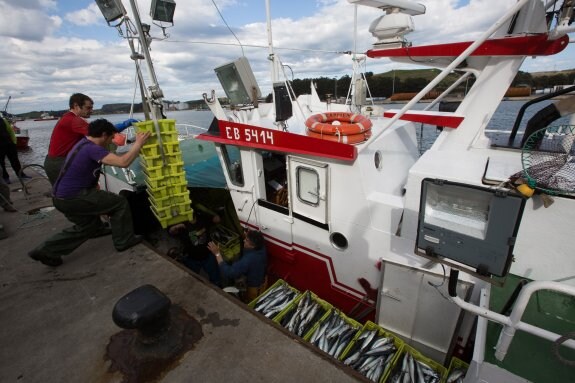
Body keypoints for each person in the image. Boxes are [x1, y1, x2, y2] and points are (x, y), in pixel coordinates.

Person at [28, 119, 151, 267]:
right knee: (119, 203)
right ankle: (124, 241)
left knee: (88, 228)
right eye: (111, 138)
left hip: (60, 197)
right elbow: (123, 162)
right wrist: (138, 143)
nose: (111, 142)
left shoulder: (81, 143)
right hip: (74, 197)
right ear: (104, 135)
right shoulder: (93, 149)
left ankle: (46, 250)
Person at [44, 93, 94, 185]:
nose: (91, 111)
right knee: (68, 194)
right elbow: (100, 132)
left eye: (91, 108)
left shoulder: (68, 117)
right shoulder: (74, 120)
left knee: (62, 193)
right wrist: (124, 125)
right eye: (88, 108)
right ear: (76, 106)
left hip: (54, 161)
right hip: (59, 163)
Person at [208, 229, 267, 302]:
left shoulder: (248, 260)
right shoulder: (261, 247)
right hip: (262, 279)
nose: (244, 240)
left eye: (247, 240)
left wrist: (217, 254)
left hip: (254, 288)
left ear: (253, 246)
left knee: (250, 301)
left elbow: (229, 272)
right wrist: (247, 236)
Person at [0, 115, 30, 183]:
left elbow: (10, 131)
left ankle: (21, 175)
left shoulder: (3, 120)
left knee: (15, 160)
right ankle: (5, 177)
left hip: (9, 144)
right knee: (1, 163)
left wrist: (14, 142)